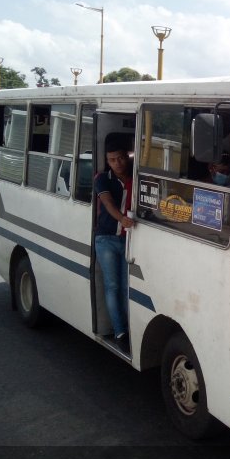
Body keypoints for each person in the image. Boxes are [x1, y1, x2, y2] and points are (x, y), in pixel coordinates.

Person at [94, 134, 134, 352]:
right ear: (107, 161)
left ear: (126, 157)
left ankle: (130, 327)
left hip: (128, 241)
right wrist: (122, 219)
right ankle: (120, 331)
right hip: (107, 239)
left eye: (120, 158)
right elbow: (107, 203)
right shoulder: (102, 179)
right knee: (113, 286)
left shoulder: (135, 176)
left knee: (127, 286)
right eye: (112, 160)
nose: (117, 163)